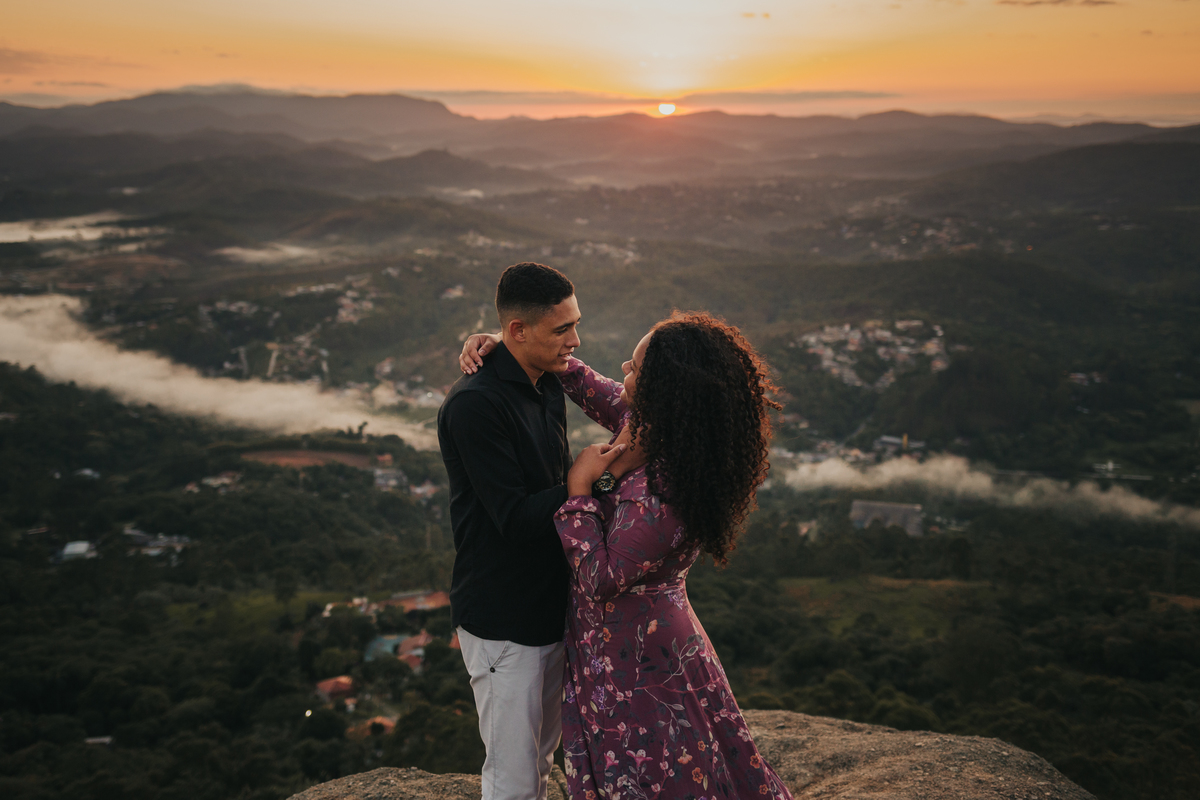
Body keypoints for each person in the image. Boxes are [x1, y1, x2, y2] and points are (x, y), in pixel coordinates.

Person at [461, 311, 794, 800]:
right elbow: (588, 384)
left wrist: (578, 491)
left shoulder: (669, 483)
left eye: (635, 368)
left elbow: (600, 575)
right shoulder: (655, 428)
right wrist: (514, 343)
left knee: (654, 774)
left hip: (641, 657)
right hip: (613, 646)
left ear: (664, 388)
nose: (623, 370)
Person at [438, 262, 629, 800]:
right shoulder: (476, 405)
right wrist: (589, 482)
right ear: (519, 331)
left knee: (542, 759)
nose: (576, 339)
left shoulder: (545, 382)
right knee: (514, 774)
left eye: (575, 323)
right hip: (502, 617)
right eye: (562, 328)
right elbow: (516, 519)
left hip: (551, 606)